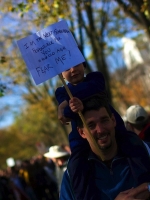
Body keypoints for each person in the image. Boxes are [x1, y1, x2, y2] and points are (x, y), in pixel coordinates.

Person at [60, 95, 150, 200]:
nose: (100, 130)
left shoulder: (144, 151)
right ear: (81, 132)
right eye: (91, 125)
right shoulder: (74, 174)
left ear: (113, 120)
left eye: (104, 120)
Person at [55, 63, 126, 152]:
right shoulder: (61, 92)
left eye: (76, 64)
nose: (73, 69)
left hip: (115, 130)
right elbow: (66, 114)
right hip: (80, 140)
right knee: (76, 162)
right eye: (66, 69)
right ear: (62, 75)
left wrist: (66, 102)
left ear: (84, 65)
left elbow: (93, 88)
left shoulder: (96, 78)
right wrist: (71, 108)